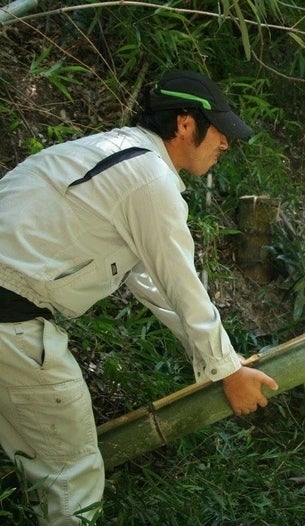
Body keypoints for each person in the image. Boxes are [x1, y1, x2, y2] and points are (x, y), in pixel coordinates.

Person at [0, 70, 279, 524]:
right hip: (10, 320)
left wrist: (220, 362)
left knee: (46, 465)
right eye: (220, 130)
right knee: (73, 478)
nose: (226, 143)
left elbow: (154, 285)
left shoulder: (115, 155)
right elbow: (182, 284)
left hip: (9, 316)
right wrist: (228, 372)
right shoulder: (149, 179)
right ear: (185, 123)